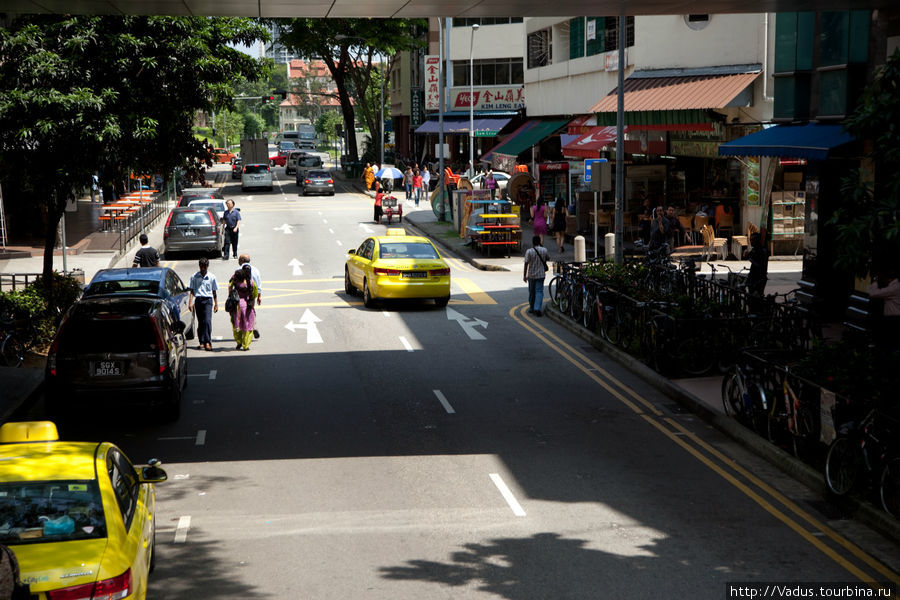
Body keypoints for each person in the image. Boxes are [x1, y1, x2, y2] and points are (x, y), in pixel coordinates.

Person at [188, 257, 218, 351]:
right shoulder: (194, 276)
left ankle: (208, 342)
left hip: (208, 301)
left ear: (207, 266)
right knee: (201, 322)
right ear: (199, 266)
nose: (203, 268)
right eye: (201, 266)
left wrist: (216, 304)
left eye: (205, 266)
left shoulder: (212, 277)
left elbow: (214, 291)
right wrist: (190, 302)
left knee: (207, 321)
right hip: (198, 300)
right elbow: (192, 290)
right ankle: (201, 342)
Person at [228, 268, 258, 351]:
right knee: (248, 325)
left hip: (236, 306)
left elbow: (230, 286)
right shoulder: (250, 283)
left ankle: (239, 342)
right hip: (247, 306)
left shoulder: (235, 282)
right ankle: (246, 345)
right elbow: (255, 293)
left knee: (236, 324)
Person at [523, 235, 550, 317]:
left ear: (532, 242)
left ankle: (531, 308)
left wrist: (524, 275)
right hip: (541, 274)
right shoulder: (544, 250)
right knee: (539, 291)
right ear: (540, 242)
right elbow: (548, 258)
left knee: (531, 292)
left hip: (531, 275)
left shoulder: (529, 251)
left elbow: (526, 263)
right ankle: (537, 308)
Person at [238, 254, 262, 339]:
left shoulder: (238, 270)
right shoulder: (256, 270)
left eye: (239, 259)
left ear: (242, 261)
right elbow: (258, 284)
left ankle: (245, 329)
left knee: (241, 312)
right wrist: (259, 296)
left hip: (241, 294)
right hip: (252, 294)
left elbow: (234, 282)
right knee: (251, 309)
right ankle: (253, 327)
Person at [746, 232, 769, 297]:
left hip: (759, 279)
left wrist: (750, 259)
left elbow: (760, 265)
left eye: (753, 240)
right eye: (750, 240)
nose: (751, 242)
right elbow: (750, 255)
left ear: (757, 240)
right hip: (752, 278)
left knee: (757, 297)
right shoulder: (754, 249)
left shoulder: (762, 250)